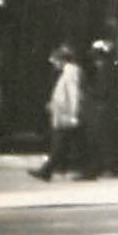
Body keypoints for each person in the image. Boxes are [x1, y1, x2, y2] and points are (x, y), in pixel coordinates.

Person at [29, 43, 95, 181]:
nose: (54, 64)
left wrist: (74, 113)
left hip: (67, 114)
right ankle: (88, 170)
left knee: (60, 143)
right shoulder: (68, 71)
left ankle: (47, 171)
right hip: (65, 113)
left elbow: (73, 93)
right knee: (76, 143)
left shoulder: (71, 72)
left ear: (62, 59)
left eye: (55, 61)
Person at [85, 38, 118, 176]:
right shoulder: (110, 68)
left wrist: (89, 92)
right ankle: (112, 165)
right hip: (110, 109)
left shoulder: (105, 69)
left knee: (103, 138)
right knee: (110, 138)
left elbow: (103, 90)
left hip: (104, 109)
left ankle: (106, 166)